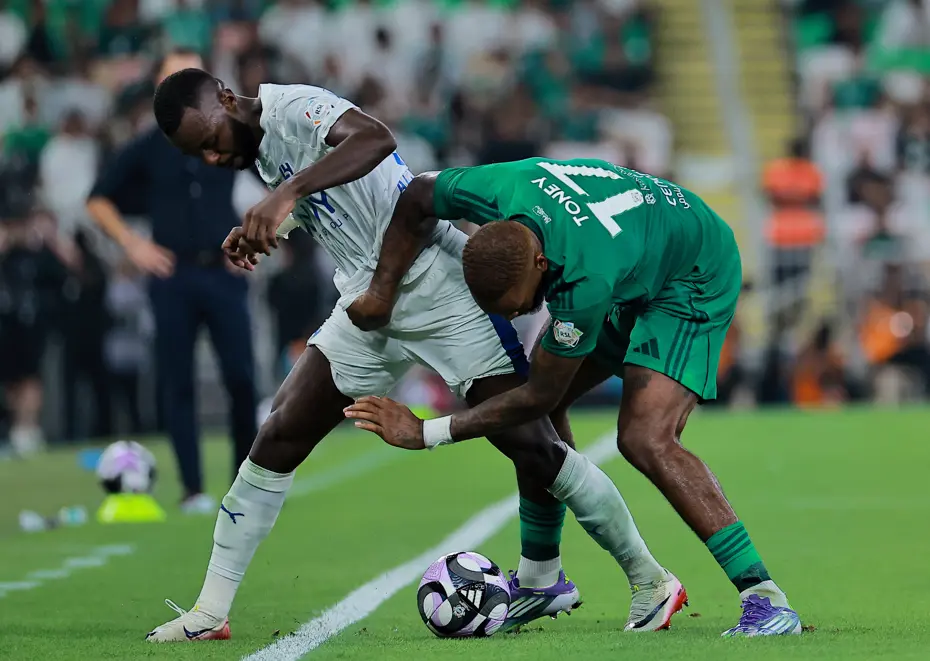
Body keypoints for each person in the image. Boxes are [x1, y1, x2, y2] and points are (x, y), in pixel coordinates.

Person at [144, 70, 686, 642]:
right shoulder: (257, 151)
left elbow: (376, 140)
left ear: (228, 99)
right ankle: (210, 611)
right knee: (278, 434)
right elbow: (342, 200)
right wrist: (277, 220)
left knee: (534, 446)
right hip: (365, 301)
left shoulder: (293, 106)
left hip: (439, 287)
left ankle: (650, 580)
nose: (210, 155)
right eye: (197, 152)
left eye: (210, 138)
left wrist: (286, 195)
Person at [345, 158, 803, 637]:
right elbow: (418, 192)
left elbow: (535, 398)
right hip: (635, 251)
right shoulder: (498, 188)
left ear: (540, 264)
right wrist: (382, 290)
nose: (523, 310)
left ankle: (766, 601)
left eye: (520, 300)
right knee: (545, 407)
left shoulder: (583, 282)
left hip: (691, 272)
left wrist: (427, 431)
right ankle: (540, 580)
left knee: (646, 438)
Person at [86, 50, 258, 514]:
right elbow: (98, 199)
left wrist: (253, 236)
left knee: (242, 378)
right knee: (175, 381)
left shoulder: (232, 131)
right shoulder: (144, 147)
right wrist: (132, 245)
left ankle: (247, 485)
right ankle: (193, 490)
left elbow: (268, 180)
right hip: (173, 274)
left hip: (224, 269)